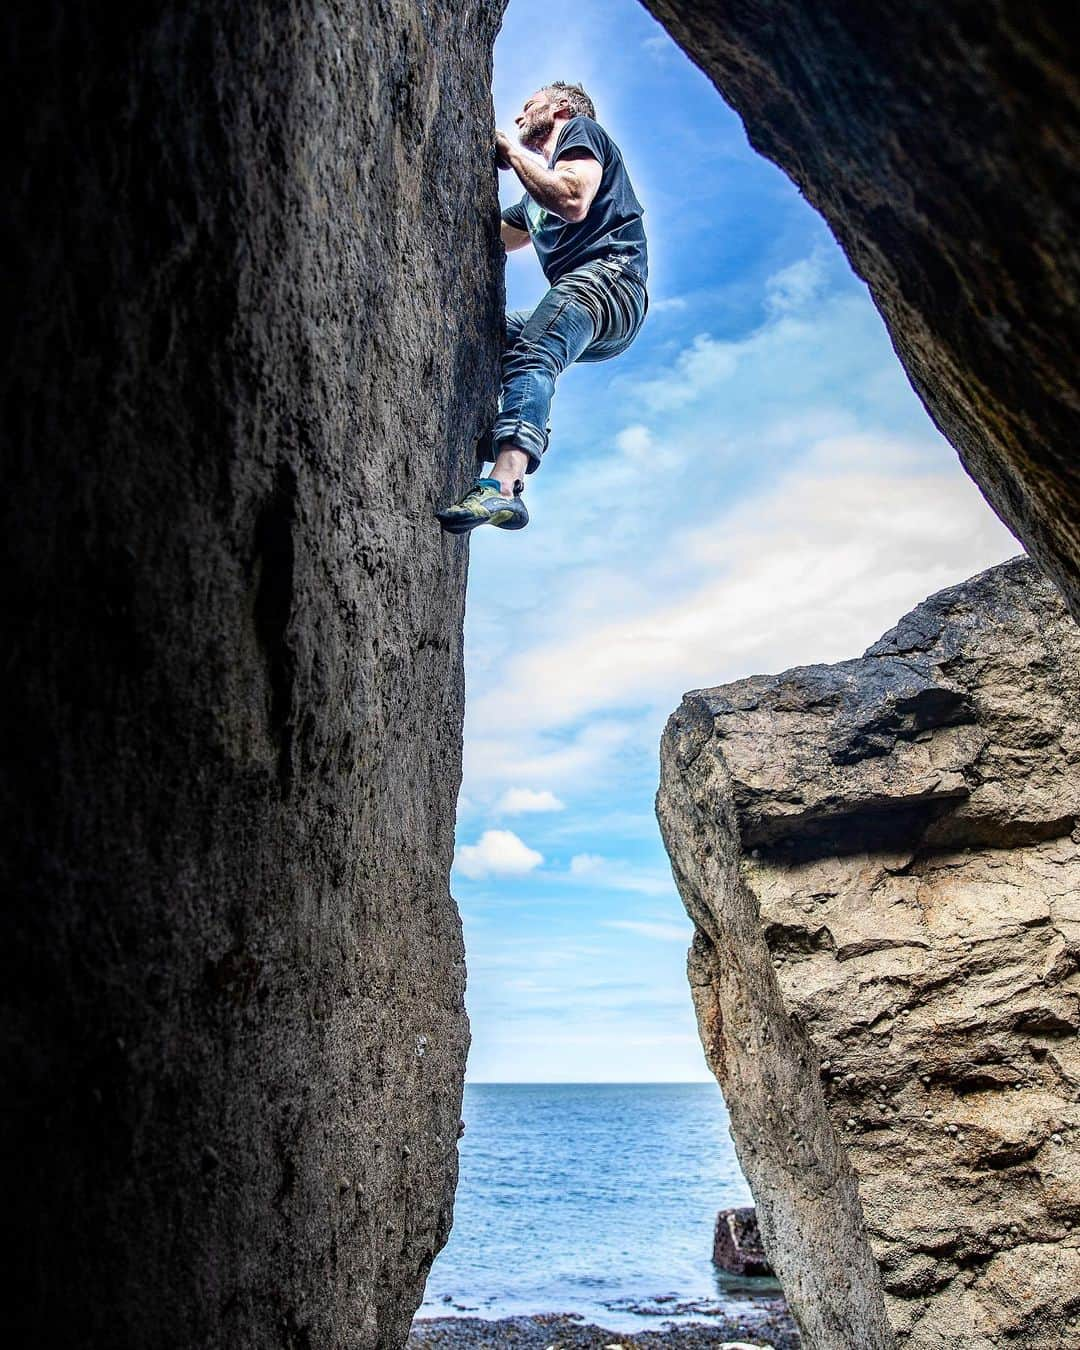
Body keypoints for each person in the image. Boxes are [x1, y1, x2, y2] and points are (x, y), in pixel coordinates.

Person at [437, 82, 649, 534]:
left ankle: (503, 484)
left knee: (537, 350)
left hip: (610, 276)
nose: (519, 117)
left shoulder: (581, 130)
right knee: (495, 337)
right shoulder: (535, 198)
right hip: (598, 314)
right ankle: (516, 426)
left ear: (561, 108)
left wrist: (511, 154)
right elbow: (496, 237)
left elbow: (572, 199)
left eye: (530, 105)